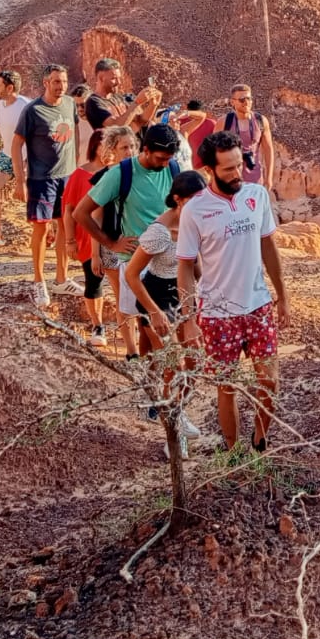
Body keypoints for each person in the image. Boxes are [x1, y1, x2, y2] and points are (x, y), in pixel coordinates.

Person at [176, 130, 289, 453]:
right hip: (217, 314)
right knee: (227, 387)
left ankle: (259, 443)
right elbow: (185, 267)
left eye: (239, 165)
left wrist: (283, 296)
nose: (237, 173)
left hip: (258, 305)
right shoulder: (195, 210)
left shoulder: (257, 195)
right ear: (209, 170)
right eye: (228, 169)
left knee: (269, 380)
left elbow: (268, 246)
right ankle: (233, 453)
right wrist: (189, 319)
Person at [74, 122, 184, 358]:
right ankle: (142, 363)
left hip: (167, 261)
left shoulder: (174, 168)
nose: (165, 163)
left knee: (156, 327)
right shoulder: (120, 174)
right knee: (145, 323)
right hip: (135, 261)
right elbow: (81, 213)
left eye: (169, 158)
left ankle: (148, 369)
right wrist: (111, 244)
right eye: (161, 158)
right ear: (146, 150)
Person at [124, 170, 209, 457]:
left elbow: (195, 269)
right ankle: (173, 433)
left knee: (194, 362)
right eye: (194, 200)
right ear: (177, 199)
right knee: (172, 364)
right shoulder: (158, 233)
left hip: (182, 298)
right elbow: (132, 274)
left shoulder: (193, 225)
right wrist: (153, 312)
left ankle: (177, 413)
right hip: (156, 298)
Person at [10, 64, 78, 309]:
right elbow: (16, 144)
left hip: (67, 176)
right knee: (41, 228)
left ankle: (62, 279)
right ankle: (39, 282)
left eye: (64, 81)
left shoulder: (70, 104)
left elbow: (74, 134)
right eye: (56, 81)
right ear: (46, 83)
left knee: (65, 226)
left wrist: (76, 168)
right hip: (41, 178)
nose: (61, 86)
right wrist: (20, 180)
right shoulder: (33, 110)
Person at [62, 125, 136, 346]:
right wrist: (76, 243)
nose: (129, 151)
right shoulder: (97, 176)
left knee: (133, 293)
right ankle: (110, 333)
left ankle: (134, 339)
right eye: (124, 147)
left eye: (132, 146)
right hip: (104, 240)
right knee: (110, 289)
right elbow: (79, 212)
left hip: (132, 242)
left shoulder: (138, 173)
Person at [0, 69, 28, 247]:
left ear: (10, 88)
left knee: (37, 196)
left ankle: (51, 233)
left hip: (28, 158)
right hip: (7, 155)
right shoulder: (0, 105)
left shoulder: (27, 106)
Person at [84, 57, 161, 133]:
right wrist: (137, 103)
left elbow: (140, 121)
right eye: (114, 78)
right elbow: (116, 128)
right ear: (101, 78)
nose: (119, 82)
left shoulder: (118, 97)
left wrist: (153, 104)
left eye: (119, 78)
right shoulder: (93, 102)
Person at [224, 84, 275, 188]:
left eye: (249, 98)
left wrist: (269, 177)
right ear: (232, 102)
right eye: (242, 99)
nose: (246, 102)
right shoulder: (225, 122)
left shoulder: (261, 121)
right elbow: (214, 151)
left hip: (255, 179)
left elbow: (268, 150)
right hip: (231, 180)